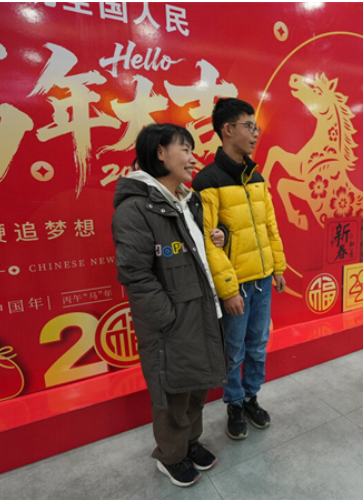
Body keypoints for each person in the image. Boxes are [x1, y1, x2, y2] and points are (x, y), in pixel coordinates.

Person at [112, 123, 228, 488]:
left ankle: (189, 443)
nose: (193, 158)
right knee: (173, 392)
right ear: (160, 153)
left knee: (196, 385)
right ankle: (171, 455)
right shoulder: (135, 209)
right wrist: (168, 318)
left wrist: (217, 238)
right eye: (185, 149)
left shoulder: (188, 200)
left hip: (201, 309)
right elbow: (135, 275)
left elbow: (196, 253)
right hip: (172, 320)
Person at [191, 97, 286, 440]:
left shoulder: (256, 176)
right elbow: (208, 242)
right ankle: (233, 403)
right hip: (236, 285)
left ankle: (250, 398)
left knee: (258, 345)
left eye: (256, 127)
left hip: (262, 279)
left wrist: (278, 266)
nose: (256, 133)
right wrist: (229, 290)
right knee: (233, 350)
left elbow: (269, 226)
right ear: (228, 130)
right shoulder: (206, 181)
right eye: (249, 126)